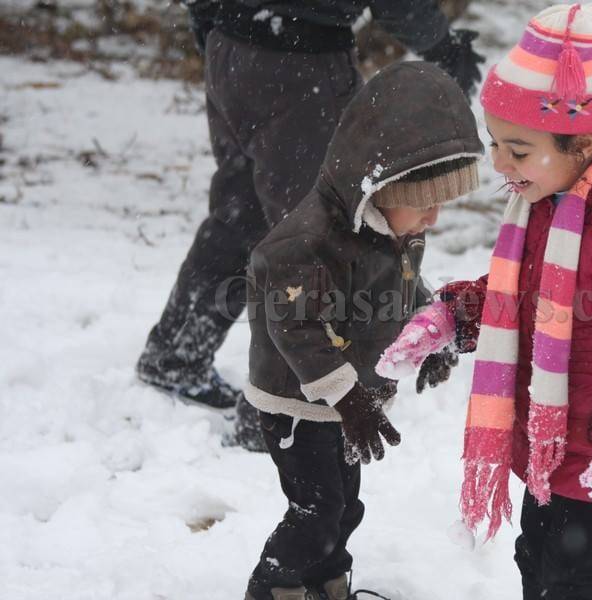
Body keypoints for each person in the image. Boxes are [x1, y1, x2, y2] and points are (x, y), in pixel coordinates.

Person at [380, 5, 592, 599]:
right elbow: (530, 292)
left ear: (580, 143)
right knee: (538, 554)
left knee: (567, 574)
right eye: (495, 143)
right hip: (556, 431)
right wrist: (458, 313)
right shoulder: (554, 195)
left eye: (518, 150)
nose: (500, 165)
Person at [135, 0, 484, 450]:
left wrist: (211, 18)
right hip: (301, 63)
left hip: (234, 48)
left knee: (241, 217)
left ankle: (178, 353)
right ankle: (276, 415)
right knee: (322, 235)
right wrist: (441, 43)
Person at [243, 61, 482, 600]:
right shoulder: (307, 244)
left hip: (351, 400)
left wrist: (431, 335)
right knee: (318, 508)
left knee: (345, 504)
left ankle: (325, 583)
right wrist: (347, 398)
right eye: (424, 204)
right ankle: (271, 587)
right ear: (379, 186)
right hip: (297, 402)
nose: (434, 219)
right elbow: (296, 328)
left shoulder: (391, 229)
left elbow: (404, 288)